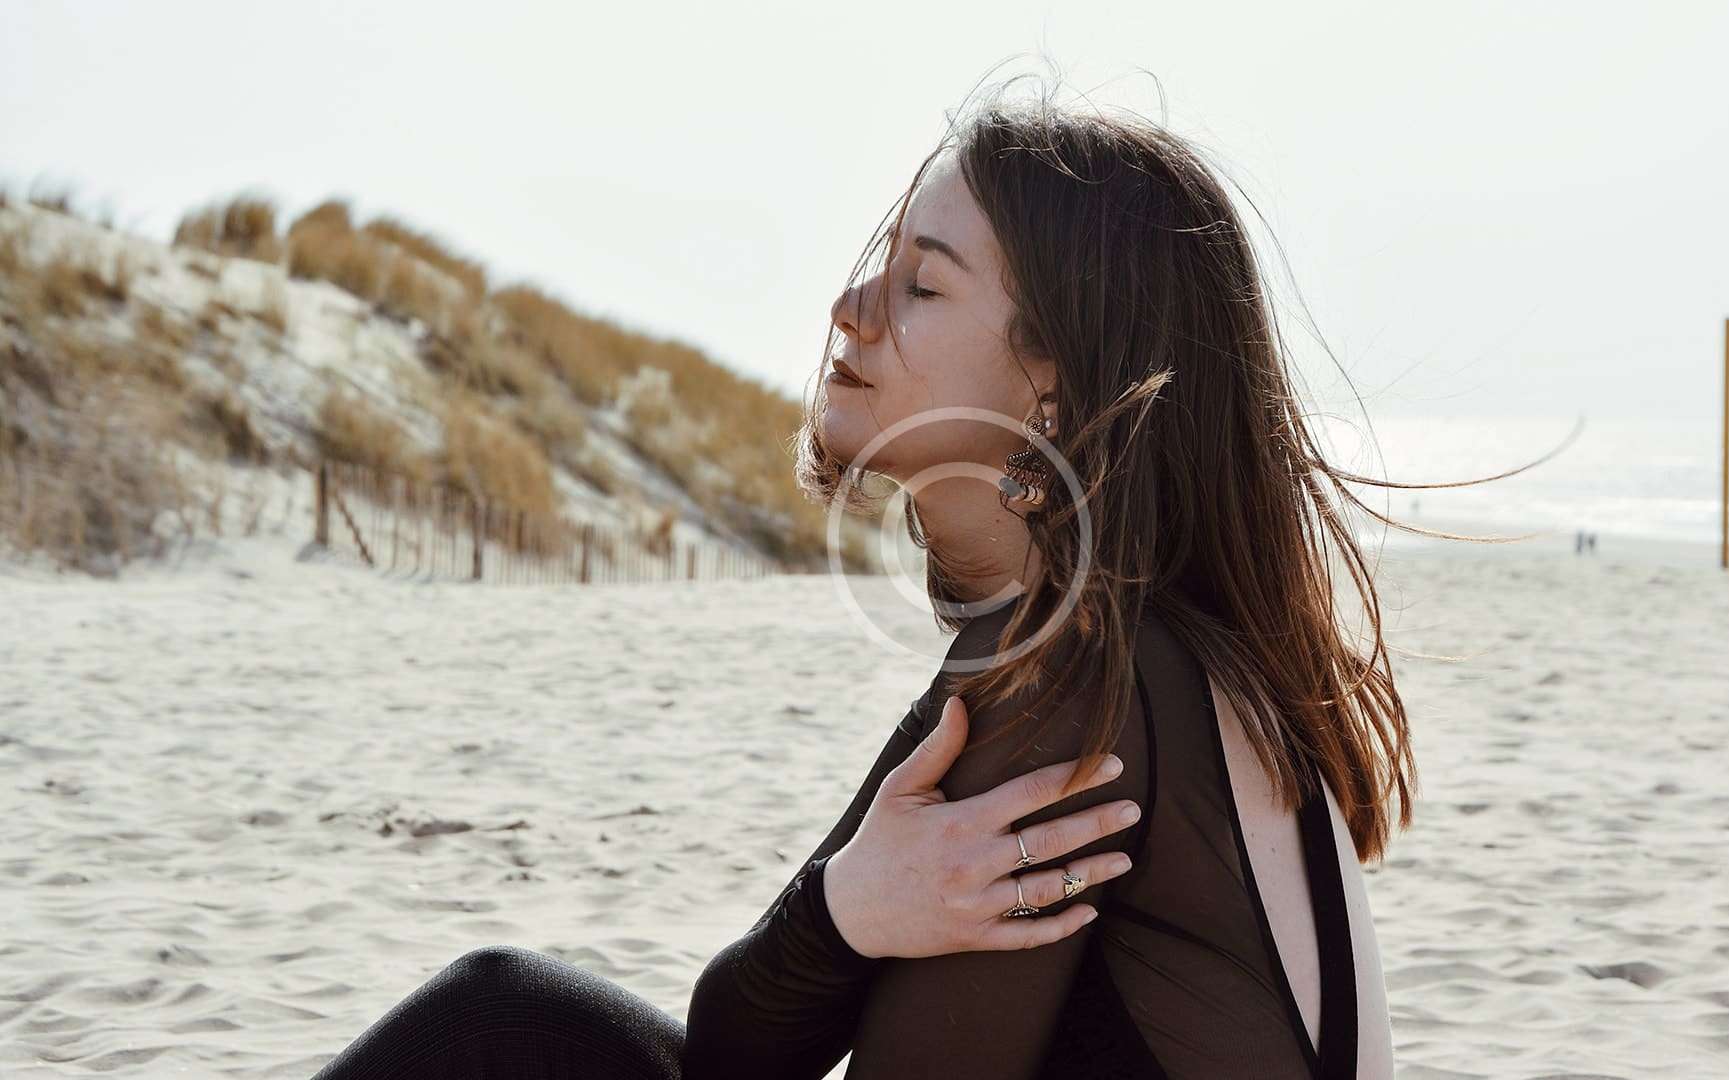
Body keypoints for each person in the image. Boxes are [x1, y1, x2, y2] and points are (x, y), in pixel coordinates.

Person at [310, 71, 1520, 1080]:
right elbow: (738, 1043)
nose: (849, 308)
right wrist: (846, 911)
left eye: (922, 286)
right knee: (514, 1014)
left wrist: (839, 917)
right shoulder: (1146, 654)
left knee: (495, 1027)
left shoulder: (1077, 677)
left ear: (1057, 384)